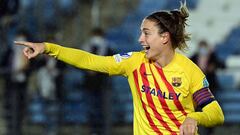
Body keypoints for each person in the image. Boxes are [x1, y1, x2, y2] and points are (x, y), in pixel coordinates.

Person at [15, 1, 224, 135]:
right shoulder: (134, 62)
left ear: (164, 37)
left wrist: (193, 118)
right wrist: (49, 48)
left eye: (146, 33)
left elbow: (216, 113)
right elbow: (91, 61)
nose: (140, 39)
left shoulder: (190, 70)